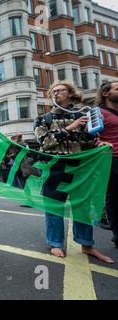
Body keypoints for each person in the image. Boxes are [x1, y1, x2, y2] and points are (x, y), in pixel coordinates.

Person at [34, 81, 114, 263]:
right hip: (55, 169)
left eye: (60, 90)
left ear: (70, 93)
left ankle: (86, 244)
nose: (56, 94)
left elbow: (90, 140)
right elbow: (45, 142)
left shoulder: (84, 114)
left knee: (83, 208)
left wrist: (97, 143)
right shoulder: (43, 119)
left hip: (81, 168)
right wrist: (70, 128)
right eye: (53, 91)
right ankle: (55, 243)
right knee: (54, 208)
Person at [95, 80, 118, 249]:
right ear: (105, 93)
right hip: (113, 160)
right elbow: (90, 137)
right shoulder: (98, 112)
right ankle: (117, 234)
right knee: (114, 198)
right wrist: (98, 143)